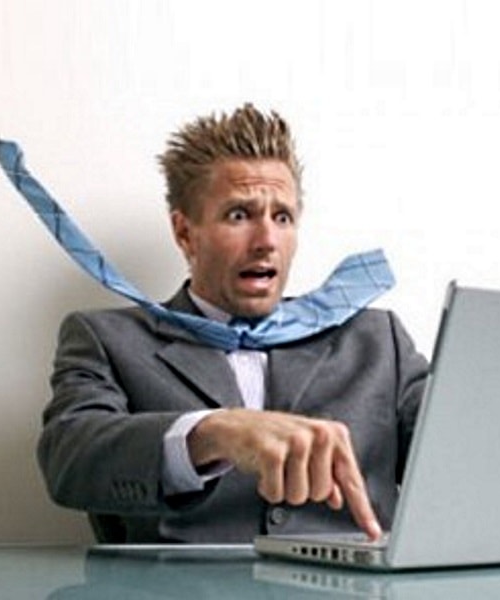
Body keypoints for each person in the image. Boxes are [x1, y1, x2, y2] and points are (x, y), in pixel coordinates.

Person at [36, 104, 429, 543]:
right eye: (239, 215)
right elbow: (69, 458)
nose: (266, 242)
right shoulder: (106, 339)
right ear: (185, 233)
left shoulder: (378, 340)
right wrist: (214, 432)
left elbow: (460, 456)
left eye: (282, 217)